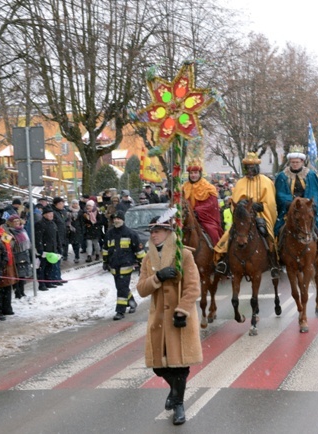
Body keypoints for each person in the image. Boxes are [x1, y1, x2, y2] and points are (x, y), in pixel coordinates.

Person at [137, 215, 203, 426]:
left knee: (179, 366)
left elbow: (193, 287)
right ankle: (174, 392)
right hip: (158, 320)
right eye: (151, 231)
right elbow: (141, 289)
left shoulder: (183, 254)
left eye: (157, 230)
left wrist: (182, 311)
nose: (153, 235)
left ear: (168, 232)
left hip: (178, 318)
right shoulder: (148, 259)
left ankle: (179, 405)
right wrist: (157, 278)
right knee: (159, 366)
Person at [214, 152, 278, 277]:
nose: (250, 169)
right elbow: (235, 202)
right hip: (243, 217)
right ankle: (225, 261)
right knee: (231, 233)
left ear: (257, 167)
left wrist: (258, 206)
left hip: (260, 215)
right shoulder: (240, 183)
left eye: (252, 166)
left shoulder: (266, 181)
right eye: (248, 167)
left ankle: (273, 262)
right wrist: (242, 206)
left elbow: (269, 202)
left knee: (264, 231)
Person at [274, 146, 318, 264]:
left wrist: (307, 203)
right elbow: (280, 193)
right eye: (292, 162)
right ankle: (276, 252)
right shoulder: (282, 176)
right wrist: (290, 203)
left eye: (297, 162)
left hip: (307, 207)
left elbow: (314, 192)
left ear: (302, 162)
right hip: (289, 207)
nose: (295, 164)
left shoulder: (310, 175)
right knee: (278, 227)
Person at [102, 210, 144, 321]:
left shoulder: (131, 233)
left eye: (118, 218)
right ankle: (132, 303)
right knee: (121, 287)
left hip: (126, 265)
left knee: (121, 288)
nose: (116, 220)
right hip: (114, 266)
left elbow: (139, 250)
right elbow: (105, 249)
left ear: (123, 220)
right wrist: (105, 262)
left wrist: (142, 264)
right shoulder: (109, 233)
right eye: (114, 219)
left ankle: (120, 311)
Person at [183, 158, 223, 246]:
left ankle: (217, 254)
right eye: (191, 173)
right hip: (187, 217)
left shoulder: (209, 187)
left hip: (204, 218)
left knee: (213, 233)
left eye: (195, 173)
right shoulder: (184, 187)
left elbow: (212, 204)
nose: (193, 175)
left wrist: (197, 211)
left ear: (199, 174)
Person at [6, 215, 32, 299]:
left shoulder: (22, 229)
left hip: (24, 254)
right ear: (10, 223)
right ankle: (18, 292)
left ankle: (22, 291)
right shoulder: (9, 232)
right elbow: (10, 245)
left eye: (18, 221)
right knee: (17, 274)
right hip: (16, 255)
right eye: (14, 221)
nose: (17, 223)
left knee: (23, 274)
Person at [35, 206, 60, 291]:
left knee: (50, 267)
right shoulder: (40, 224)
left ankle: (48, 282)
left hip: (52, 249)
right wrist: (40, 249)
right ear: (44, 215)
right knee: (42, 267)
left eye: (51, 213)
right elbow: (38, 238)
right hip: (44, 249)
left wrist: (58, 247)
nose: (51, 215)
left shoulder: (53, 223)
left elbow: (57, 237)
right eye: (49, 214)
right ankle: (42, 284)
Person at [66, 199, 83, 264]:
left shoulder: (80, 211)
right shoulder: (68, 211)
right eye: (73, 203)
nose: (75, 205)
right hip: (70, 229)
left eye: (76, 203)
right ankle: (73, 255)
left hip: (78, 229)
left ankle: (77, 256)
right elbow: (66, 220)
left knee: (77, 243)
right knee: (73, 243)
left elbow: (82, 221)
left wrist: (81, 229)